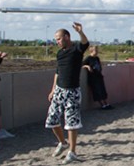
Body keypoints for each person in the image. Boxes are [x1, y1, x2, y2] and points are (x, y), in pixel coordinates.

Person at [46, 22, 89, 164]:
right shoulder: (60, 53)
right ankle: (63, 143)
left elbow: (85, 43)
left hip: (72, 91)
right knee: (52, 120)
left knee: (71, 123)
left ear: (66, 37)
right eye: (56, 39)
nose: (57, 42)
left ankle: (72, 151)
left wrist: (80, 32)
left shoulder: (77, 49)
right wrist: (53, 89)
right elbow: (57, 73)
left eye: (58, 38)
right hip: (59, 90)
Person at [82, 45, 113, 110]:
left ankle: (106, 104)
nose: (97, 52)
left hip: (99, 76)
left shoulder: (97, 58)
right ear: (91, 51)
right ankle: (102, 105)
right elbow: (82, 65)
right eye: (96, 50)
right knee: (97, 91)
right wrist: (87, 67)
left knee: (102, 91)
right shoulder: (88, 58)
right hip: (93, 78)